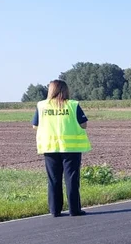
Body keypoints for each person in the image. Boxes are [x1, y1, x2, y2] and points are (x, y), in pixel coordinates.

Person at [33, 79, 91, 218]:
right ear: (65, 90)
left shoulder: (41, 106)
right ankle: (74, 210)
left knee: (53, 179)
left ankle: (55, 210)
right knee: (71, 179)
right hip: (71, 148)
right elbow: (84, 124)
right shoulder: (73, 105)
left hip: (50, 148)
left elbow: (35, 126)